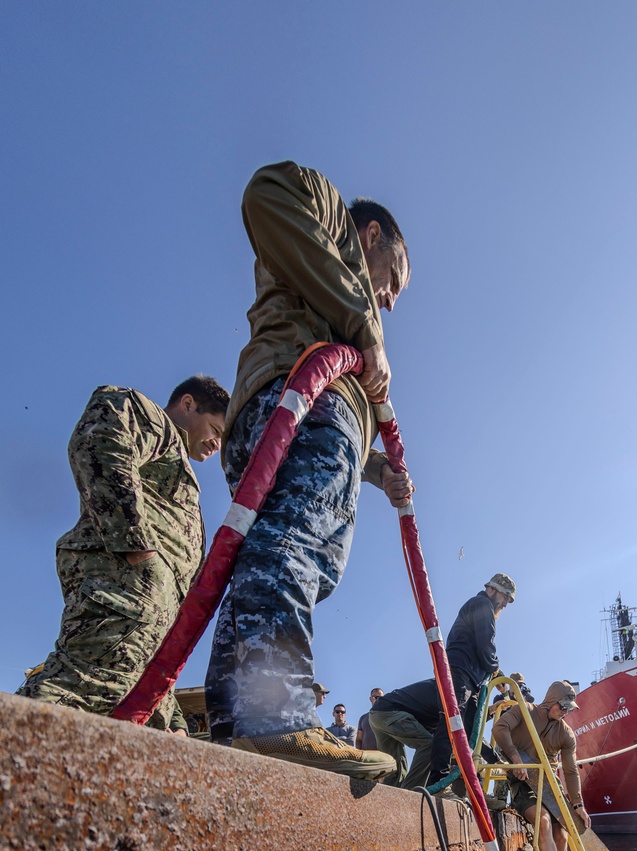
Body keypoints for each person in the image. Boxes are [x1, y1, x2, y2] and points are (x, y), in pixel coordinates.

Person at [204, 160, 412, 780]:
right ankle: (279, 720)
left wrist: (375, 471)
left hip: (291, 417)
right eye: (394, 278)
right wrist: (361, 320)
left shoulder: (341, 303)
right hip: (296, 405)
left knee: (263, 557)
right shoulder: (324, 209)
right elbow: (263, 194)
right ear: (370, 236)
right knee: (294, 547)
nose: (390, 301)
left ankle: (232, 728)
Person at [17, 375, 230, 733]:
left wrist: (172, 715)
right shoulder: (153, 420)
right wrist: (136, 546)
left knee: (128, 715)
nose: (216, 444)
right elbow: (101, 437)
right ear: (189, 404)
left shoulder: (176, 459)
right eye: (215, 429)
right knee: (75, 691)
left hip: (149, 622)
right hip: (125, 593)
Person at [492, 680, 591, 851]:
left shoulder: (566, 734)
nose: (565, 712)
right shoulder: (525, 710)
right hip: (522, 780)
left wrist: (578, 804)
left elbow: (570, 770)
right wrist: (516, 759)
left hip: (550, 785)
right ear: (550, 701)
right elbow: (499, 729)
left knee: (562, 835)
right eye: (562, 706)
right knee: (543, 820)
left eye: (569, 708)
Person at [428, 573, 516, 784]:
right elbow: (486, 645)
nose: (504, 603)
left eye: (508, 600)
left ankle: (473, 780)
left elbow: (485, 647)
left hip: (470, 676)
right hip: (461, 672)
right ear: (491, 589)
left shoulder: (480, 606)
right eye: (504, 596)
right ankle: (437, 782)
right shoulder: (482, 604)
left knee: (470, 730)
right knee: (452, 722)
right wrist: (498, 673)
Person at [367, 679, 441, 789]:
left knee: (396, 767)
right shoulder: (449, 692)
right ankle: (411, 794)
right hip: (390, 713)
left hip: (377, 715)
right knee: (428, 744)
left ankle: (390, 800)